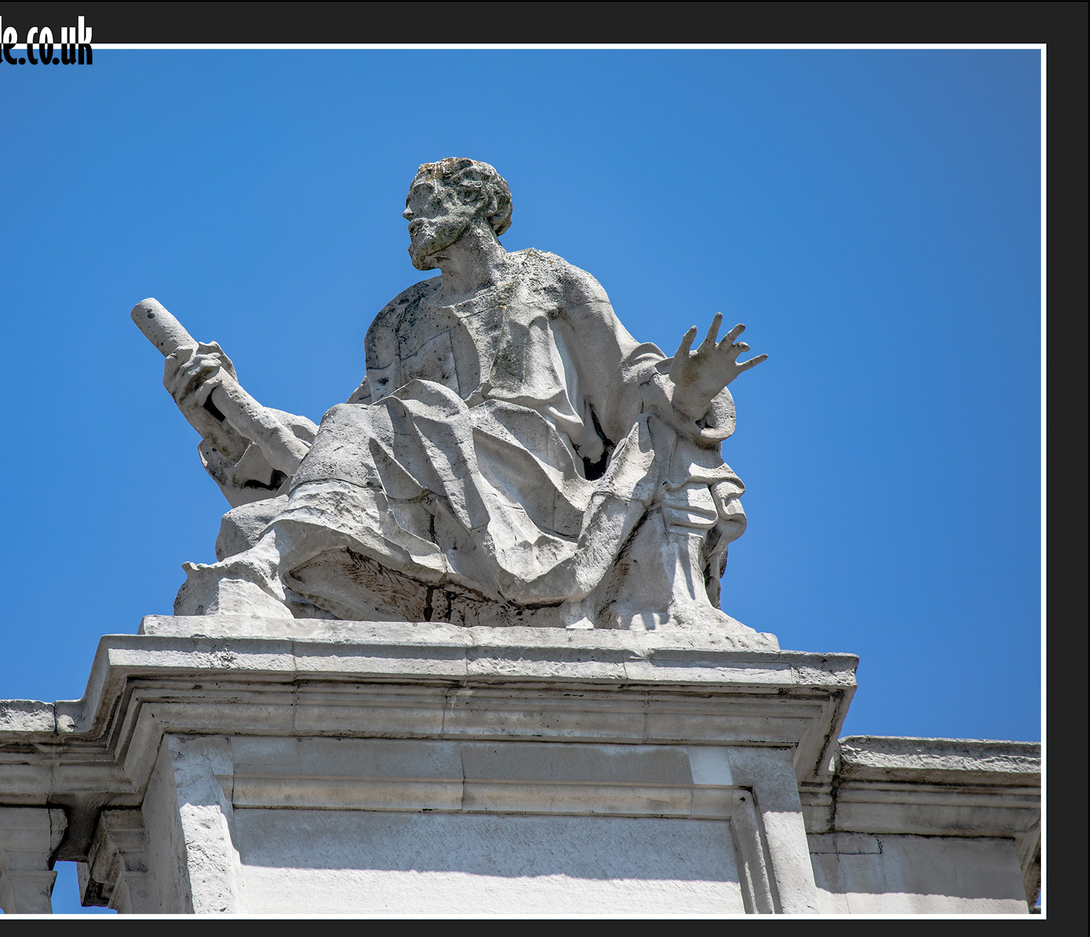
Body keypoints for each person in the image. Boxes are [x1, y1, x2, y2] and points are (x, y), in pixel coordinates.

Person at [162, 158, 766, 631]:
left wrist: (688, 388)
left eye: (425, 202)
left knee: (400, 415)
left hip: (532, 473)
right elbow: (339, 445)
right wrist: (226, 416)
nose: (408, 215)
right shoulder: (394, 323)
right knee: (345, 443)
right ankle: (267, 557)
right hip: (431, 471)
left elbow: (624, 390)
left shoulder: (550, 281)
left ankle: (265, 563)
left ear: (476, 202)